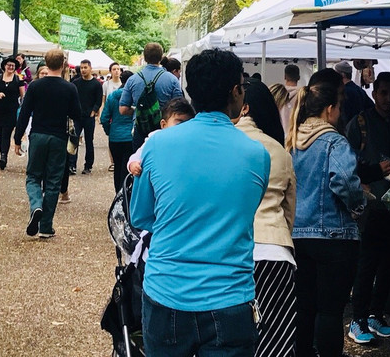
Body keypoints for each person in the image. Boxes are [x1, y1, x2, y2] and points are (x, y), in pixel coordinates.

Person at [130, 49, 270, 357]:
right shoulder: (257, 154)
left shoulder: (157, 145)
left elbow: (140, 216)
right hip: (230, 296)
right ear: (235, 91)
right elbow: (246, 211)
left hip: (166, 290)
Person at [343, 71, 390, 344]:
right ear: (374, 93)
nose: (388, 98)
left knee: (389, 264)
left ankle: (376, 314)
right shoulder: (359, 123)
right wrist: (371, 174)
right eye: (383, 93)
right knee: (367, 265)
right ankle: (358, 319)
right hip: (370, 207)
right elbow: (347, 164)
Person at [291, 75, 365, 357]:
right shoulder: (334, 141)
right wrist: (358, 206)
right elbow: (344, 181)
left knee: (304, 308)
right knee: (330, 311)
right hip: (334, 236)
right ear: (330, 109)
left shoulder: (292, 140)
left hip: (297, 235)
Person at [236, 82, 297, 357]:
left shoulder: (224, 144)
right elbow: (289, 209)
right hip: (275, 250)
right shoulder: (280, 151)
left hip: (233, 252)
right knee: (276, 335)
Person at [14, 48, 81, 238]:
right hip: (58, 137)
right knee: (53, 181)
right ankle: (45, 226)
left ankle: (36, 205)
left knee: (33, 176)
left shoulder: (35, 86)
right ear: (63, 65)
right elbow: (77, 115)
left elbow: (24, 113)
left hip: (38, 135)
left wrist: (17, 138)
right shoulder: (70, 88)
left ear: (46, 63)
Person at [119, 42, 184, 148]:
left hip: (140, 129)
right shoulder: (172, 79)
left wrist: (138, 110)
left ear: (145, 58)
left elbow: (123, 109)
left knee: (140, 157)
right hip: (164, 129)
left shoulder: (132, 80)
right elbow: (180, 107)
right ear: (161, 57)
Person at [126, 97, 197, 178]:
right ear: (163, 125)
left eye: (187, 124)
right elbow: (138, 155)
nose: (183, 128)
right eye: (179, 124)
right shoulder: (154, 139)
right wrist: (133, 164)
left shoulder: (189, 141)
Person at [100, 73, 135, 193]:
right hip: (131, 137)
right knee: (128, 169)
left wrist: (109, 131)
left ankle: (118, 194)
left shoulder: (112, 96)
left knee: (117, 167)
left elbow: (104, 118)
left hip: (115, 137)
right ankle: (126, 194)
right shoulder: (134, 96)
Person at [69, 59, 104, 175]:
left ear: (90, 68)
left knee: (89, 141)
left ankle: (88, 165)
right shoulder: (75, 83)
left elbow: (98, 99)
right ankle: (71, 165)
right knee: (74, 140)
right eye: (81, 68)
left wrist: (94, 111)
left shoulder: (96, 84)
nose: (83, 70)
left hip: (89, 116)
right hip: (77, 116)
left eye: (85, 67)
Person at [0, 57, 23, 170]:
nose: (10, 67)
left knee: (6, 133)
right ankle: (2, 154)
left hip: (11, 111)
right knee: (0, 134)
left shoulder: (18, 80)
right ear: (4, 66)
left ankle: (4, 156)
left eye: (13, 66)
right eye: (9, 65)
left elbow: (23, 95)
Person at [335, 61, 373, 128]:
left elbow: (344, 116)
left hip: (348, 129)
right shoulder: (360, 91)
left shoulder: (344, 92)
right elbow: (371, 109)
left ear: (342, 75)